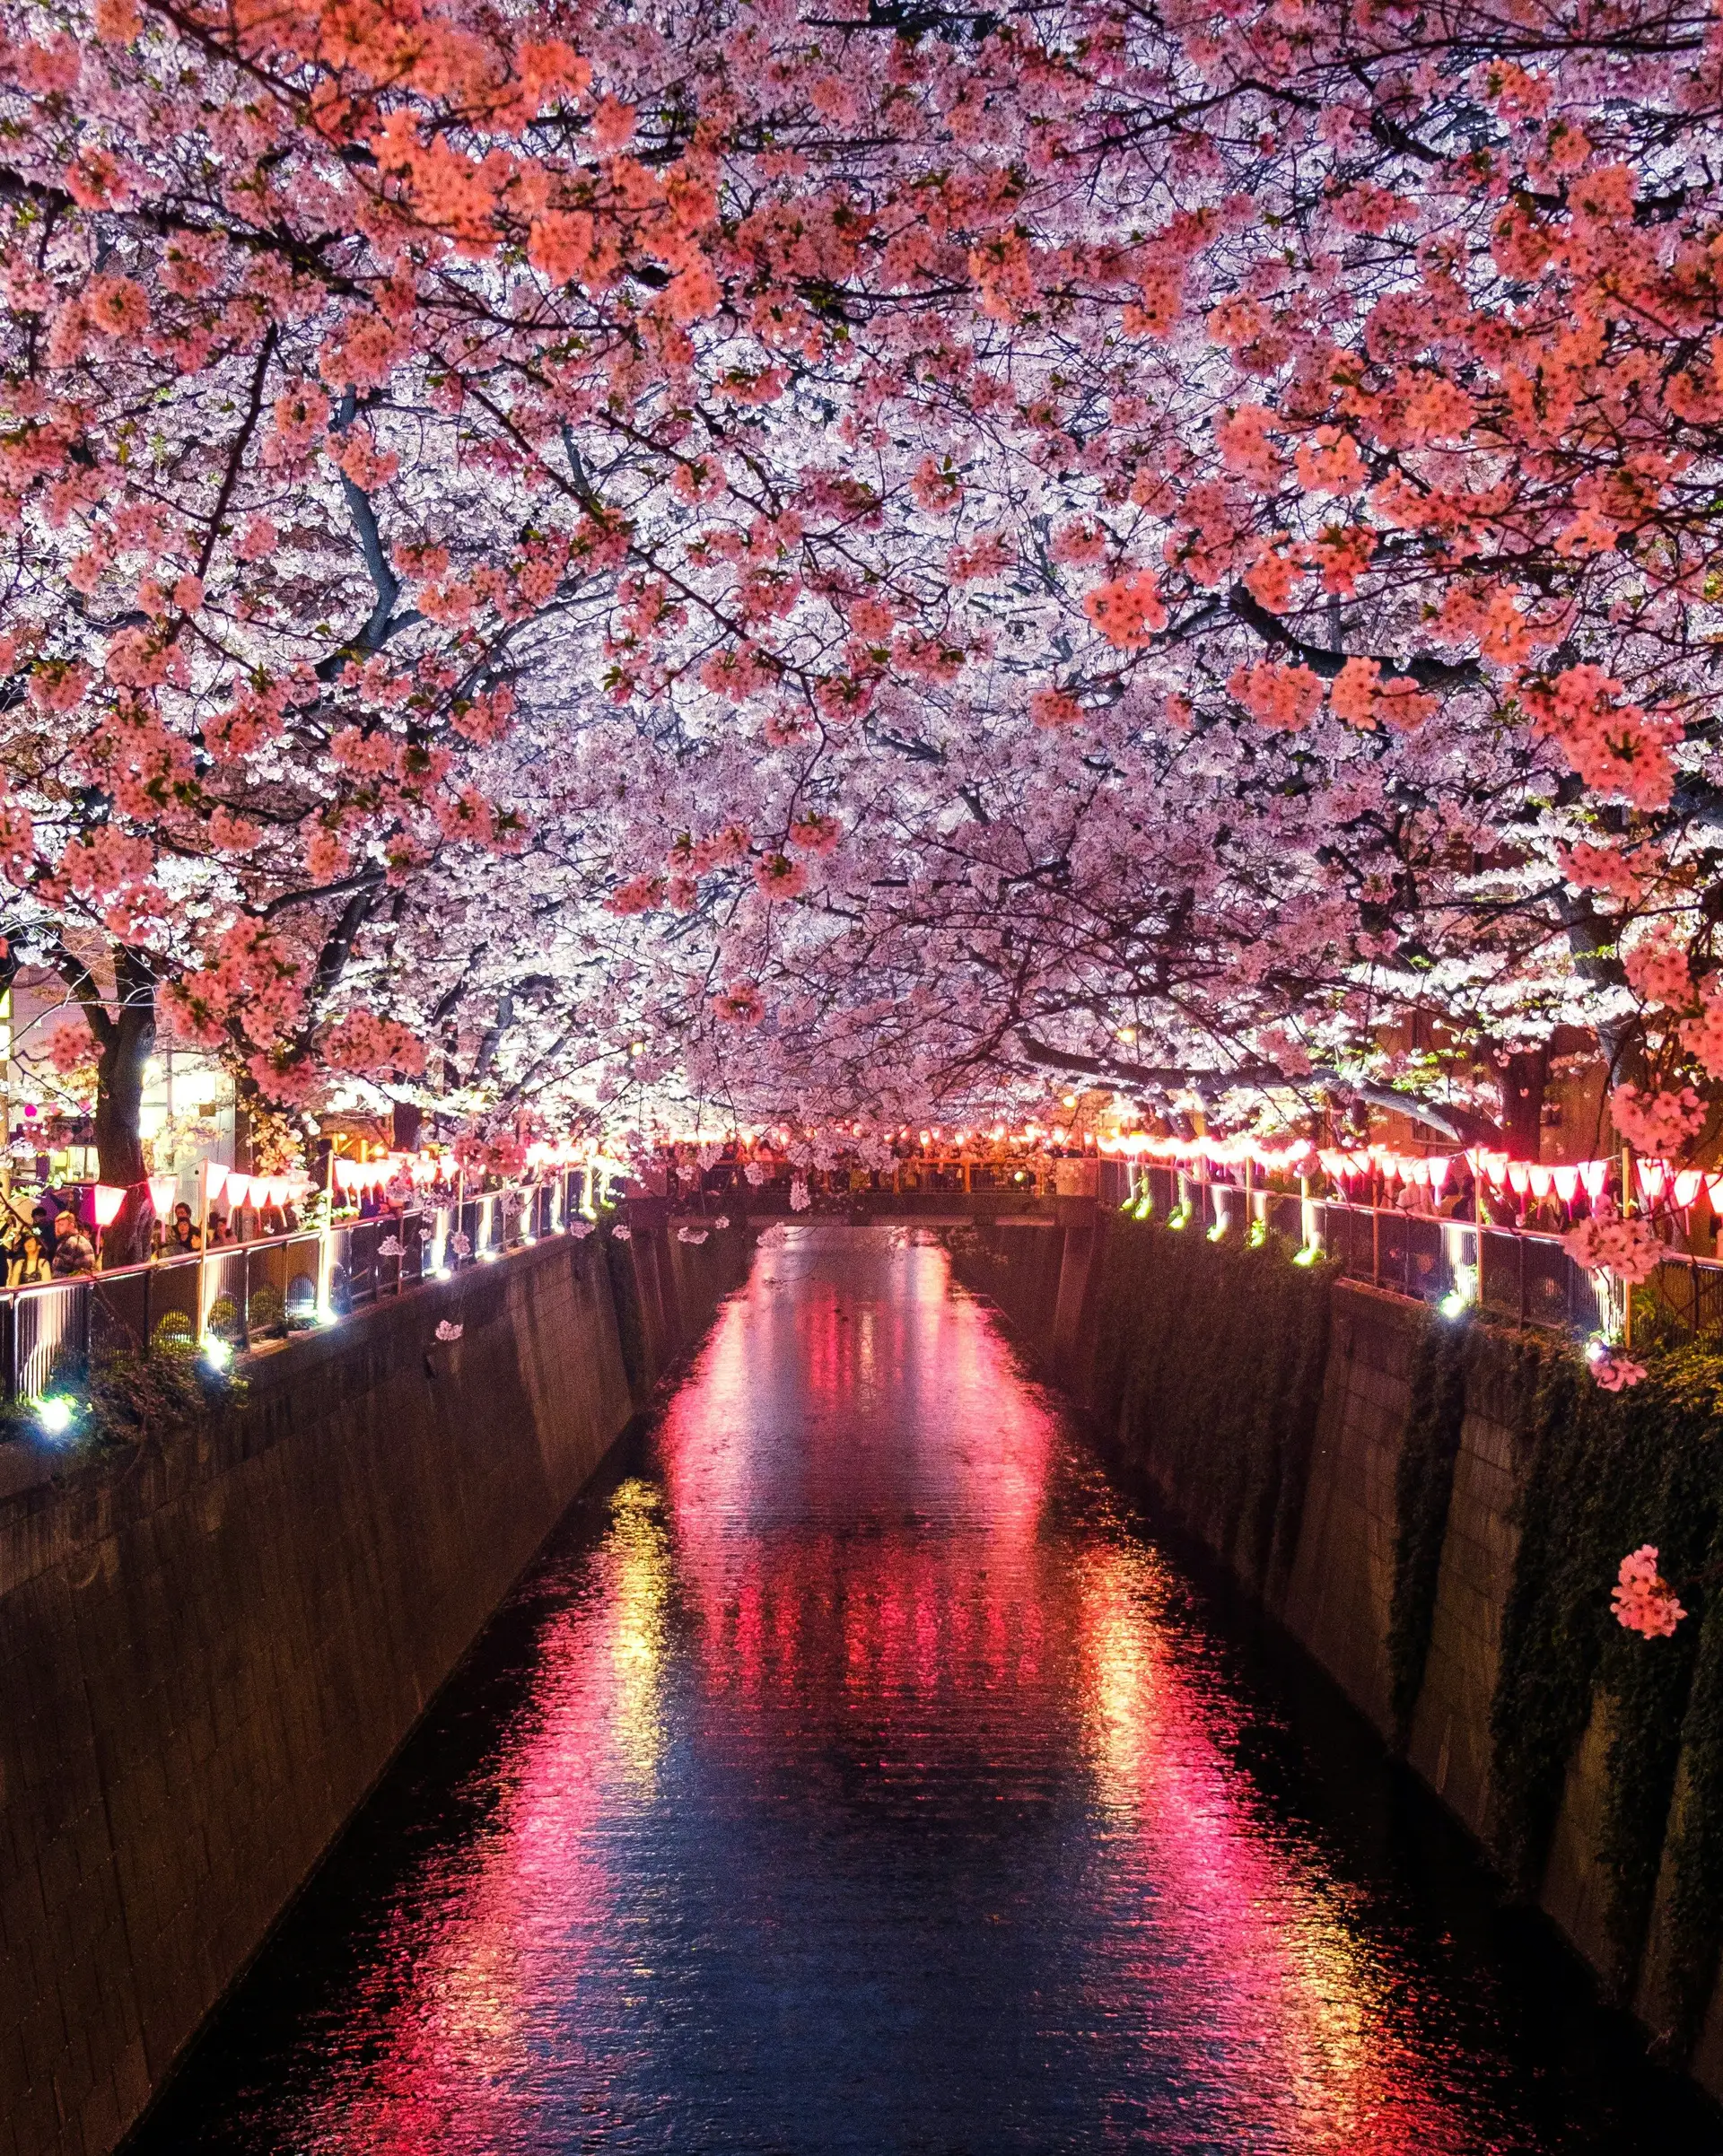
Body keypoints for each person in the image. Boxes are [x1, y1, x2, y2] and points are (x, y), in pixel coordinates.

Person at [50, 1210, 96, 1276]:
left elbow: (59, 1273)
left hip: (73, 1284)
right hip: (85, 1283)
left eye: (61, 1225)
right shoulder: (81, 1240)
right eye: (56, 1226)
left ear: (71, 1225)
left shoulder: (71, 1242)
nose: (57, 1229)